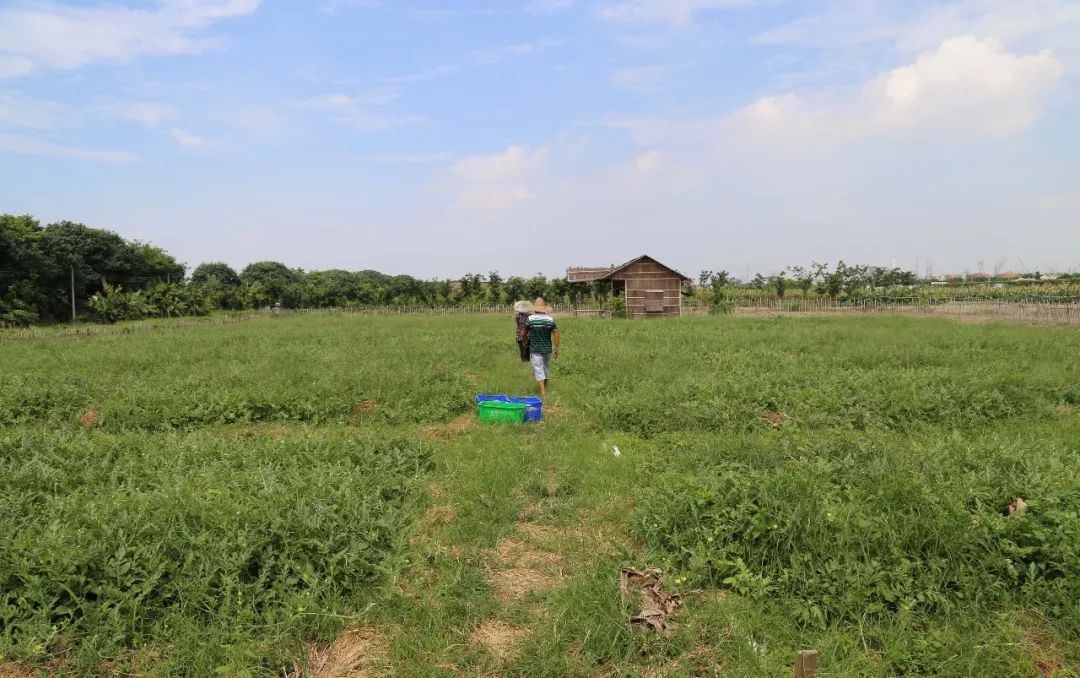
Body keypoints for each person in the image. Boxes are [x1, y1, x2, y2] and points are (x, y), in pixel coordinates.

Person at [525, 297, 559, 398]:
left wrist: (524, 339)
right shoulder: (550, 320)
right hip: (547, 349)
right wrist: (556, 348)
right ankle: (545, 388)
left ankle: (543, 391)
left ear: (535, 308)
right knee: (546, 368)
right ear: (544, 309)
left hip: (535, 349)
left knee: (538, 369)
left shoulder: (530, 319)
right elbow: (556, 333)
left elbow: (525, 332)